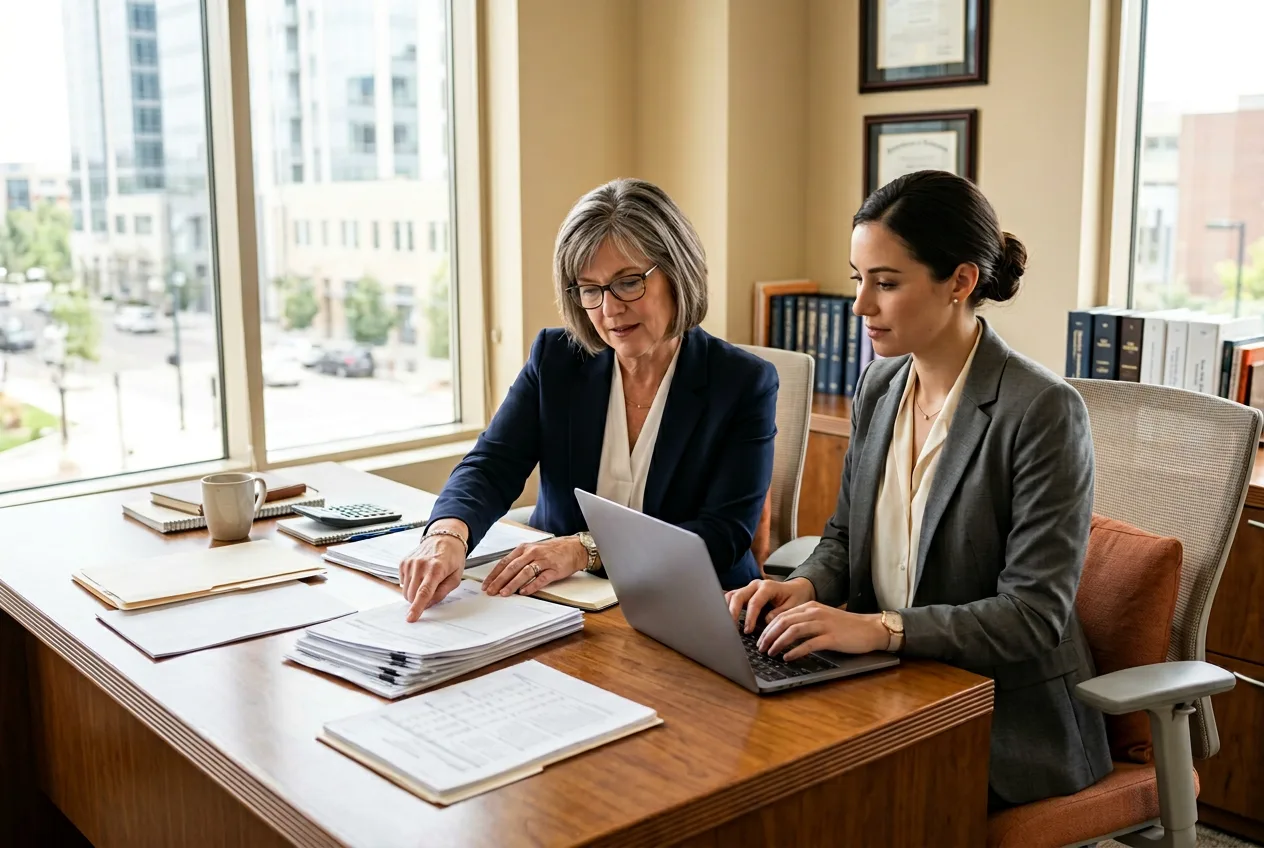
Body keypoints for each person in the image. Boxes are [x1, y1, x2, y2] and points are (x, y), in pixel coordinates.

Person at [727, 170, 1112, 809]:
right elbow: (844, 537)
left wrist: (881, 629)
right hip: (885, 685)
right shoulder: (880, 387)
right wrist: (805, 586)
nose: (860, 306)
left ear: (960, 282)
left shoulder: (1041, 410)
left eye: (886, 282)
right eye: (858, 279)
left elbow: (1033, 617)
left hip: (999, 715)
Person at [399, 177, 779, 622]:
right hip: (567, 606)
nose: (609, 309)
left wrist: (585, 550)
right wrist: (447, 535)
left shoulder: (742, 382)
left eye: (628, 282)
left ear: (677, 272)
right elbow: (493, 463)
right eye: (590, 289)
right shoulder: (557, 359)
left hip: (693, 610)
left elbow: (721, 535)